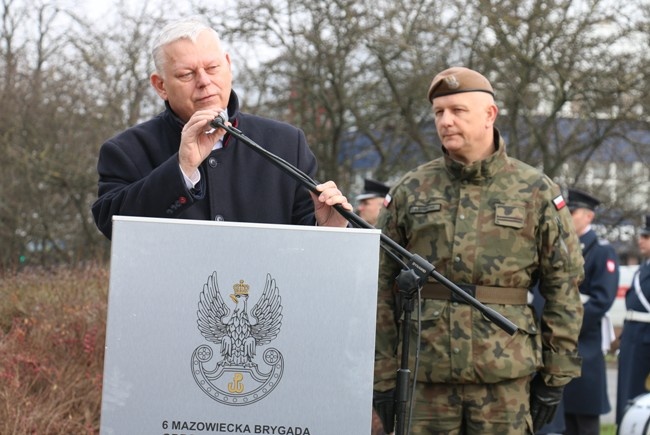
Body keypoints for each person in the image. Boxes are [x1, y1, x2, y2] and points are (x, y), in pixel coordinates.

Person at [372, 66, 584, 434]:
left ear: (489, 115)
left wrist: (557, 372)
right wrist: (382, 374)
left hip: (504, 380)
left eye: (457, 110)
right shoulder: (412, 190)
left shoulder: (535, 191)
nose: (446, 121)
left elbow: (563, 285)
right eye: (439, 113)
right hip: (425, 378)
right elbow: (378, 284)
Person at [91, 17, 351, 240]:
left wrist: (327, 230)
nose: (204, 82)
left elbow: (302, 241)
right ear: (161, 86)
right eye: (186, 74)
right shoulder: (126, 150)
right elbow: (113, 226)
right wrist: (182, 169)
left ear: (228, 65)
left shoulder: (286, 142)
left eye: (213, 68)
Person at [559, 188, 619, 434]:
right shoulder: (560, 246)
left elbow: (602, 299)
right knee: (560, 416)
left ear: (588, 216)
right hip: (558, 341)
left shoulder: (601, 250)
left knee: (583, 415)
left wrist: (567, 325)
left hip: (583, 340)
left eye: (573, 212)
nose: (568, 216)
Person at [616, 215, 650, 425]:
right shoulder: (644, 267)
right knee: (628, 396)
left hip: (646, 339)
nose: (641, 240)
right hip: (634, 337)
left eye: (646, 236)